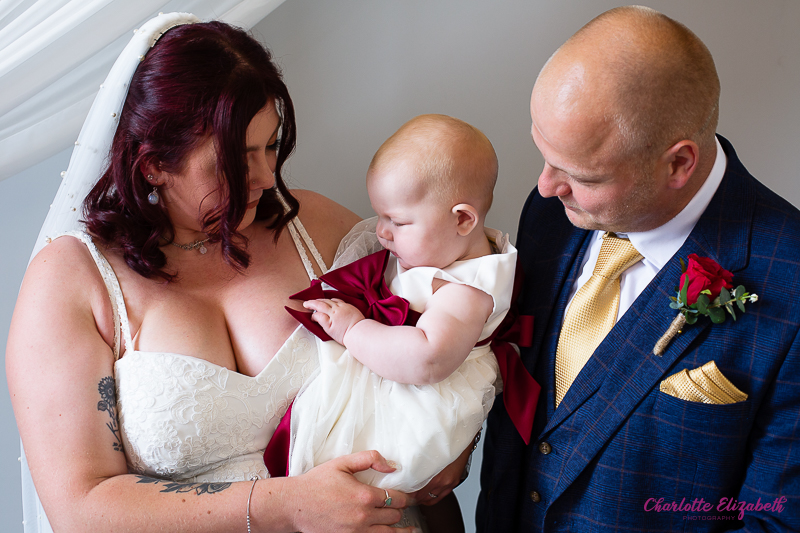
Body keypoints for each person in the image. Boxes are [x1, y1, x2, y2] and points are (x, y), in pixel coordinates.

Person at [5, 13, 452, 533]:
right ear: (154, 164)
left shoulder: (318, 227)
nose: (266, 177)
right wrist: (284, 505)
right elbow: (80, 508)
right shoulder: (74, 280)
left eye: (270, 146)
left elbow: (445, 332)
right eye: (235, 160)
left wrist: (455, 447)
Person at [477, 6, 800, 532]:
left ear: (678, 163)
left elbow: (777, 523)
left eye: (582, 174)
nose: (544, 186)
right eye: (545, 153)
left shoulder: (792, 278)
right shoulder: (552, 215)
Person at [288, 115, 523, 530]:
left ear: (463, 220)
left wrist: (353, 329)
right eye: (380, 217)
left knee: (355, 467)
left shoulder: (466, 289)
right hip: (400, 375)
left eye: (397, 221)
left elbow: (426, 360)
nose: (381, 232)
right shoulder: (446, 254)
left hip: (425, 402)